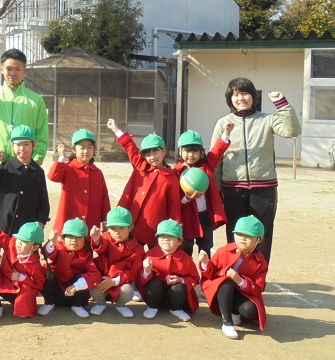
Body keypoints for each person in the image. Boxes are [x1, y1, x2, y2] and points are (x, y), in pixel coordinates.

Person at [211, 78, 301, 262]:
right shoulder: (223, 123)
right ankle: (235, 271)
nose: (240, 98)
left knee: (262, 234)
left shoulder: (267, 120)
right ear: (230, 99)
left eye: (245, 93)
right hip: (233, 189)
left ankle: (258, 274)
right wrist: (217, 189)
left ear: (253, 96)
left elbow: (292, 131)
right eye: (235, 94)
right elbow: (216, 159)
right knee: (235, 234)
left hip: (264, 189)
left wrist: (282, 104)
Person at [107, 119, 181, 247]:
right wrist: (116, 129)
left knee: (154, 256)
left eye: (155, 152)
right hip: (132, 224)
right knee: (129, 253)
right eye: (148, 154)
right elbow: (130, 147)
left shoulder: (171, 178)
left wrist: (176, 228)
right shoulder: (140, 166)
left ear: (164, 151)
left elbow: (174, 207)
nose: (152, 157)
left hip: (155, 228)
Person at [0, 207, 48, 319]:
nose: (19, 243)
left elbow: (38, 284)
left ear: (35, 247)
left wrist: (23, 278)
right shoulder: (11, 243)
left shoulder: (35, 265)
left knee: (23, 312)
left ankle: (25, 304)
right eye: (19, 239)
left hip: (23, 288)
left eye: (24, 242)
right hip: (4, 281)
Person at [199, 215, 268, 340]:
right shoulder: (224, 251)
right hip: (220, 291)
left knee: (250, 310)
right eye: (239, 234)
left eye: (249, 236)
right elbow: (210, 273)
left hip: (242, 293)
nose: (243, 239)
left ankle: (234, 311)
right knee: (227, 282)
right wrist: (205, 263)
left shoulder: (260, 263)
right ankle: (227, 323)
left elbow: (258, 288)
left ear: (259, 239)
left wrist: (240, 281)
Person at [173, 128, 231, 257]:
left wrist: (226, 133)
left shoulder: (206, 166)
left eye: (195, 151)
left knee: (205, 248)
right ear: (180, 151)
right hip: (186, 217)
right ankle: (186, 271)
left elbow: (217, 151)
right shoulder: (176, 172)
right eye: (187, 151)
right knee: (184, 249)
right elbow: (174, 199)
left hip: (205, 216)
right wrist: (186, 199)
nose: (191, 155)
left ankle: (206, 270)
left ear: (201, 152)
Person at [0, 125, 50, 236]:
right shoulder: (5, 167)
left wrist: (41, 220)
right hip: (4, 224)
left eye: (26, 144)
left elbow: (43, 199)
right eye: (18, 144)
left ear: (34, 145)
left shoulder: (38, 172)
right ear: (12, 145)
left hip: (27, 225)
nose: (22, 148)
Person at [47, 128, 110, 233]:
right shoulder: (67, 168)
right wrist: (61, 158)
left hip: (91, 224)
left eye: (90, 147)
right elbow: (53, 176)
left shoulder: (97, 173)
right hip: (69, 223)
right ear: (73, 149)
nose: (86, 151)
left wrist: (105, 219)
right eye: (82, 147)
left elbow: (104, 197)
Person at [137, 219, 199, 322]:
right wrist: (146, 271)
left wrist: (181, 280)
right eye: (162, 236)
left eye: (171, 236)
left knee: (178, 287)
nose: (166, 239)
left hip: (176, 296)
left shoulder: (186, 259)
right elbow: (140, 280)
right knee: (154, 283)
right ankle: (153, 306)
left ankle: (176, 308)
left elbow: (195, 278)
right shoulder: (150, 255)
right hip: (155, 294)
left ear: (180, 241)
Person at [88, 206, 144, 319]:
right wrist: (97, 239)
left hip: (120, 283)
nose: (117, 232)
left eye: (122, 228)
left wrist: (114, 281)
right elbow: (100, 248)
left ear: (130, 227)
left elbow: (134, 271)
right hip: (102, 279)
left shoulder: (138, 249)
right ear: (107, 229)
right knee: (92, 285)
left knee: (128, 290)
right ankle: (100, 303)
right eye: (113, 228)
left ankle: (120, 305)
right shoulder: (106, 237)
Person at [42, 218, 101, 318]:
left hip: (74, 294)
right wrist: (51, 242)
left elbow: (95, 275)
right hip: (56, 291)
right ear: (63, 238)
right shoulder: (58, 247)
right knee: (47, 270)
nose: (74, 240)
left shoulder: (86, 255)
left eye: (79, 237)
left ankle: (77, 305)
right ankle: (48, 302)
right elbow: (49, 254)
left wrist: (76, 286)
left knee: (83, 277)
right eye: (70, 236)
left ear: (85, 241)